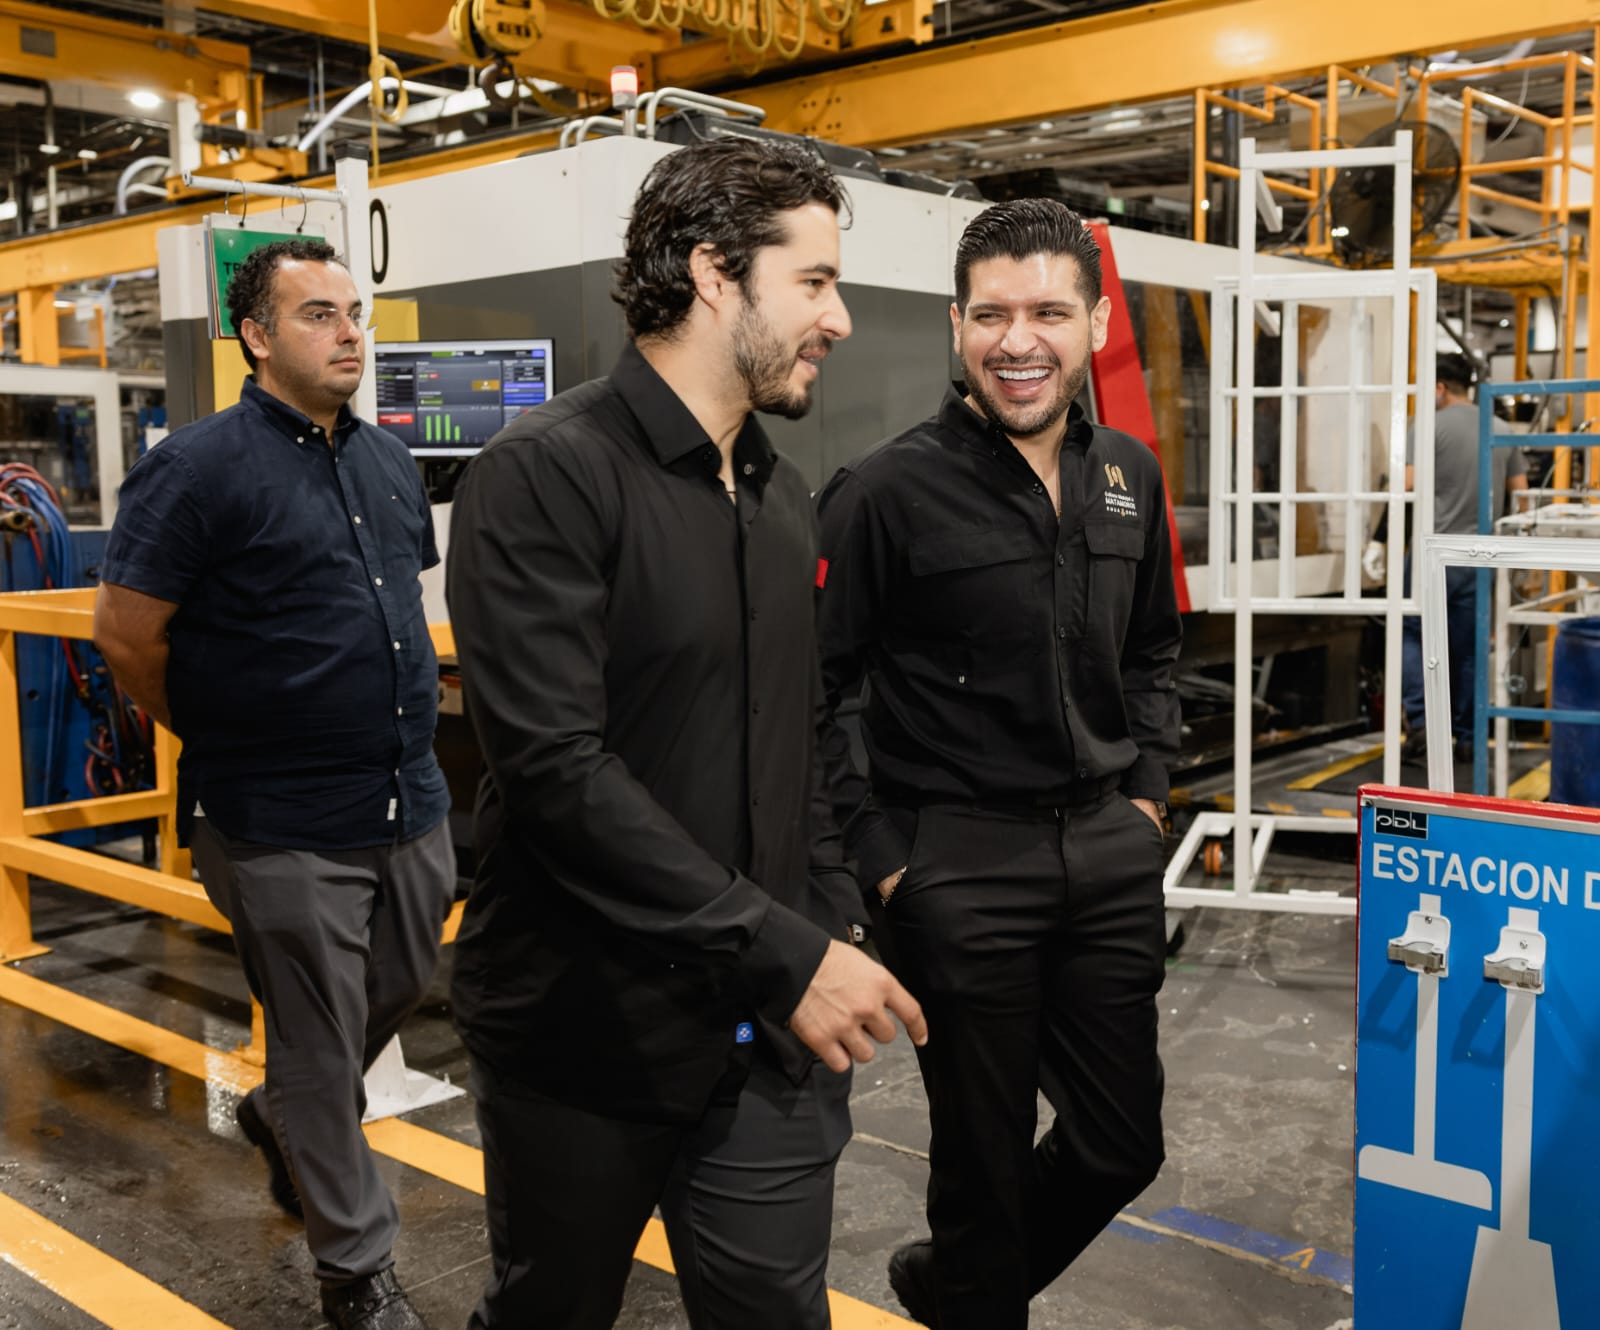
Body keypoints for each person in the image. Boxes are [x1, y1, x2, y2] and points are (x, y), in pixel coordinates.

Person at [445, 137, 927, 1330]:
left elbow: (803, 733)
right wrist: (788, 949)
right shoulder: (544, 475)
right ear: (716, 274)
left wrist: (828, 911)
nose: (839, 319)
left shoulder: (777, 493)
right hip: (585, 1034)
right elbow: (558, 775)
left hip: (764, 1036)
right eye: (813, 282)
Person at [814, 199, 1183, 1330]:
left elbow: (1153, 651)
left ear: (1095, 324)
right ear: (956, 324)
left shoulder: (1128, 474)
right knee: (981, 1164)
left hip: (1108, 853)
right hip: (957, 868)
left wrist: (1147, 799)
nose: (1018, 340)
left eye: (1048, 313)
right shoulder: (883, 491)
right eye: (991, 315)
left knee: (1120, 1142)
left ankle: (953, 1287)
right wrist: (883, 858)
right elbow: (817, 693)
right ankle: (974, 1289)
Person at [94, 240, 453, 1330]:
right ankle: (357, 1271)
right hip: (279, 813)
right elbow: (126, 635)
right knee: (315, 1035)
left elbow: (396, 610)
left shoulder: (388, 461)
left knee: (401, 982)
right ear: (255, 336)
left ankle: (283, 1108)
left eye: (355, 313)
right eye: (318, 315)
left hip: (407, 796)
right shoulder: (195, 468)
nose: (350, 334)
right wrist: (219, 731)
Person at [1373, 353, 1528, 762]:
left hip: (1433, 552)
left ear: (1440, 387)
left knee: (1412, 633)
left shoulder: (1426, 427)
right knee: (1470, 646)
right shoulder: (1500, 428)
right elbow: (1522, 496)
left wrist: (1377, 539)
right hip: (1481, 557)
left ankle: (1422, 726)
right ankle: (1467, 736)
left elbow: (1405, 488)